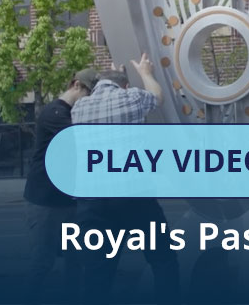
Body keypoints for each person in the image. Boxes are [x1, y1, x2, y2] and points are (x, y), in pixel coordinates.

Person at [71, 55, 179, 304]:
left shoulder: (79, 108)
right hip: (133, 196)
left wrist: (114, 75)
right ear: (126, 86)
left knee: (98, 271)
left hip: (92, 201)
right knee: (162, 259)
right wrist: (146, 73)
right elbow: (157, 96)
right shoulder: (131, 98)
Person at [23, 68, 97, 304]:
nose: (90, 100)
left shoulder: (70, 113)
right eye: (89, 93)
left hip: (68, 201)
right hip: (45, 201)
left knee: (75, 259)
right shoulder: (55, 113)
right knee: (43, 260)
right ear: (76, 85)